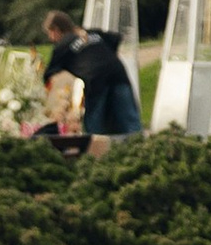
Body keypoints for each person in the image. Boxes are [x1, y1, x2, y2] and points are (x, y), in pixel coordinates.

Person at [42, 8, 143, 151]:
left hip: (95, 81)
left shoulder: (63, 45)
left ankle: (94, 161)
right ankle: (141, 152)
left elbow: (49, 74)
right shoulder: (91, 33)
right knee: (130, 122)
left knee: (95, 129)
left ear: (56, 30)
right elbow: (115, 38)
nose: (51, 38)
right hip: (118, 74)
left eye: (50, 33)